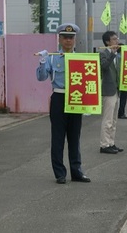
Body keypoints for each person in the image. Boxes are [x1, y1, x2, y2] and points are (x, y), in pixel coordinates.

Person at [35, 23, 91, 184]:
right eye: (65, 37)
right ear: (59, 38)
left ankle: (76, 171)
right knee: (58, 137)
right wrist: (42, 61)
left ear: (75, 39)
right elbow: (41, 78)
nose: (68, 41)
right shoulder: (51, 57)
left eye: (71, 37)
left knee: (75, 137)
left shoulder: (81, 59)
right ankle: (59, 173)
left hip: (76, 98)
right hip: (59, 99)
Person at [99, 31, 124, 154]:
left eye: (117, 39)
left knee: (114, 119)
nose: (117, 41)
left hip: (116, 90)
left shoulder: (117, 56)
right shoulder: (103, 54)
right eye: (114, 39)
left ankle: (111, 142)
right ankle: (104, 144)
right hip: (108, 90)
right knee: (107, 119)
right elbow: (103, 66)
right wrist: (112, 54)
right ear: (107, 42)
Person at [117, 43, 127, 119]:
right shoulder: (122, 58)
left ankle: (120, 112)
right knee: (123, 98)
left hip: (118, 82)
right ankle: (121, 113)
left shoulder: (116, 56)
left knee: (118, 98)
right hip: (123, 81)